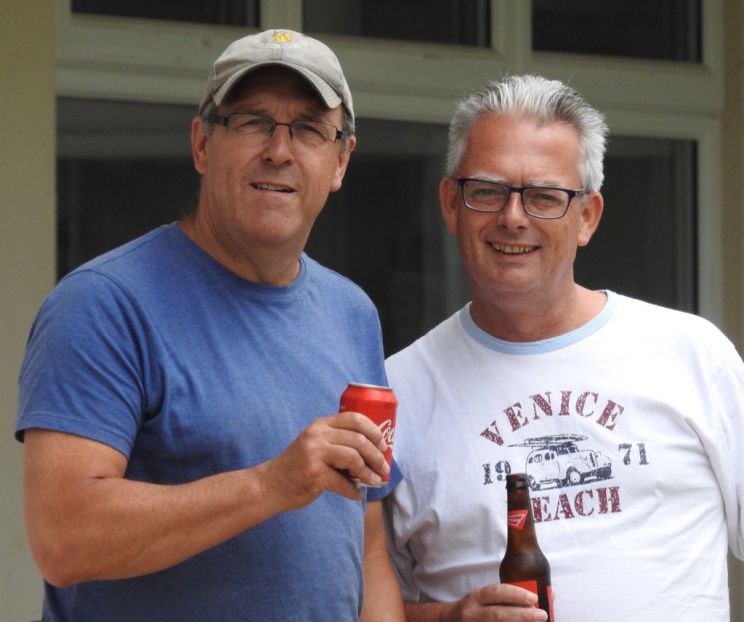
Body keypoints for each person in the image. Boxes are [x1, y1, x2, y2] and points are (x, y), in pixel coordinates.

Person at [16, 28, 404, 622]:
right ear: (202, 144)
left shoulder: (352, 312)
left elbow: (369, 545)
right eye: (252, 122)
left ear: (340, 161)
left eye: (309, 129)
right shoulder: (103, 303)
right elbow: (64, 539)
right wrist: (270, 485)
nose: (279, 150)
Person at [384, 74, 744, 621]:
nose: (513, 217)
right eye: (487, 191)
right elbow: (353, 605)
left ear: (587, 217)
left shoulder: (693, 355)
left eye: (544, 197)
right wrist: (450, 618)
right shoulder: (400, 392)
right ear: (451, 204)